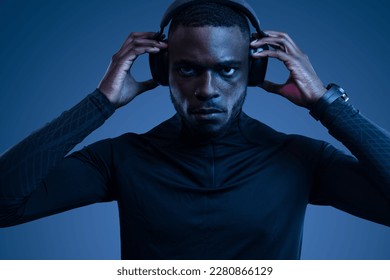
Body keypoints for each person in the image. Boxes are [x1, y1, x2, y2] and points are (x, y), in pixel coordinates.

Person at [0, 0, 389, 259]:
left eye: (226, 69)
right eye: (188, 69)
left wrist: (327, 104)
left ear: (253, 71)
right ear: (161, 71)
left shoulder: (303, 160)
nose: (207, 90)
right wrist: (100, 103)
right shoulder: (120, 159)